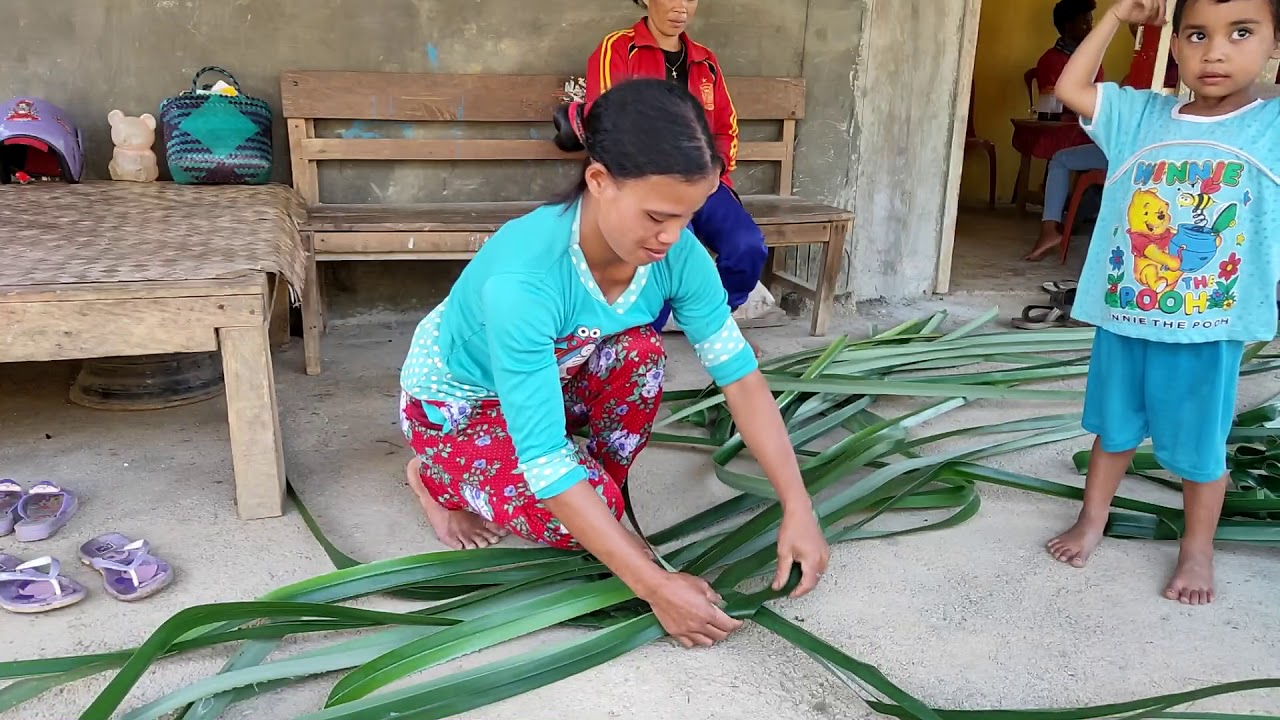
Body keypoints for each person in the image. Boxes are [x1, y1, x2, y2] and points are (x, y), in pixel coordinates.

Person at [399, 78, 830, 647]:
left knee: (641, 354)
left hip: (553, 372)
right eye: (656, 216)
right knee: (572, 507)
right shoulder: (524, 278)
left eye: (689, 216)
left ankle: (594, 495)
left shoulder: (676, 252)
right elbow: (546, 458)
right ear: (599, 181)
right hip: (458, 405)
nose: (672, 237)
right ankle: (433, 474)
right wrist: (653, 585)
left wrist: (798, 504)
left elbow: (740, 376)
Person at [1046, 0, 1280, 605]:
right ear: (1174, 46)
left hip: (1208, 328)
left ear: (1273, 45)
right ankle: (1092, 519)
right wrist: (1117, 17)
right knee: (1112, 430)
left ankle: (1197, 551)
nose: (1216, 52)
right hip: (1126, 317)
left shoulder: (1270, 124)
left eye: (1242, 34)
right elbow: (1071, 85)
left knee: (1200, 450)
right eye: (1197, 35)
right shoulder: (1139, 116)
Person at [584, 0, 769, 340]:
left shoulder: (705, 61)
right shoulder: (619, 49)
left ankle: (711, 324)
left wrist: (715, 171)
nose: (681, 6)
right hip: (646, 186)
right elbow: (608, 120)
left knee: (747, 246)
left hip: (703, 183)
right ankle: (643, 343)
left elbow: (725, 129)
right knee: (663, 254)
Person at [1025, 24, 1182, 262]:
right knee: (1072, 160)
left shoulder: (1153, 71)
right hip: (1133, 151)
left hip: (1132, 156)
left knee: (1064, 159)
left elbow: (1073, 93)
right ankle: (1064, 223)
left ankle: (1053, 227)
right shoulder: (1162, 72)